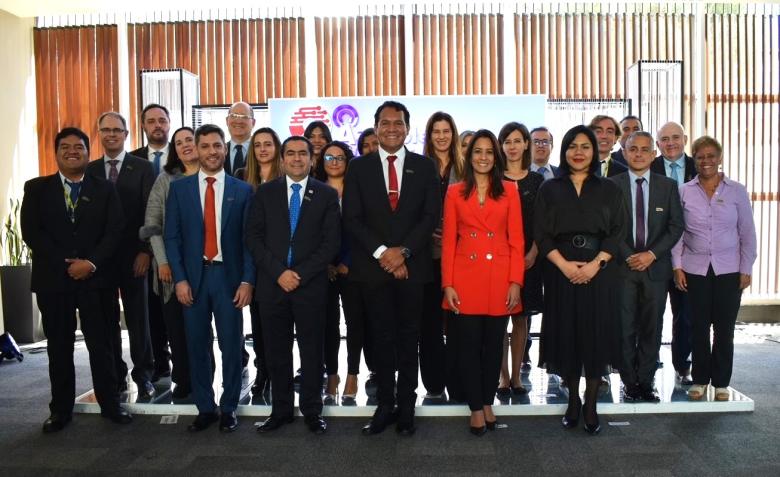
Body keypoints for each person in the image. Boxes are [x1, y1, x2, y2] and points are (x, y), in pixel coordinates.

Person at [21, 127, 132, 432]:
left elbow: (115, 230)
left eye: (79, 147)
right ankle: (60, 410)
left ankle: (110, 404)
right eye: (65, 147)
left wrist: (91, 263)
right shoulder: (36, 189)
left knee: (103, 345)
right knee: (59, 346)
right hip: (54, 280)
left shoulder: (105, 188)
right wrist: (67, 264)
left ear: (87, 152)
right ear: (56, 153)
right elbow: (32, 233)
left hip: (96, 279)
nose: (72, 151)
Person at [343, 100, 440, 436]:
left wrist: (404, 252)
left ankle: (406, 408)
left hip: (414, 269)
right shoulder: (359, 168)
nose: (392, 128)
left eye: (398, 123)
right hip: (373, 269)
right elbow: (352, 218)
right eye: (385, 123)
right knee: (381, 339)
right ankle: (385, 405)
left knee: (409, 337)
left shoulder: (425, 167)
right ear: (375, 127)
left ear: (407, 127)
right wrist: (385, 254)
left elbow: (429, 217)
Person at [534, 125, 626, 435]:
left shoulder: (610, 189)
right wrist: (564, 266)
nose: (578, 152)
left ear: (594, 151)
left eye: (585, 146)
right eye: (572, 146)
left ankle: (590, 404)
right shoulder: (549, 189)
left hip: (599, 274)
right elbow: (541, 234)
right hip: (561, 273)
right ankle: (572, 400)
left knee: (595, 335)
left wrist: (595, 265)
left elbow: (617, 233)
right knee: (568, 334)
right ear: (564, 150)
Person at [164, 124, 255, 432]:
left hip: (228, 279)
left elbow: (249, 241)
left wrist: (247, 280)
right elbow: (172, 238)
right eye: (206, 146)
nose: (212, 151)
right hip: (193, 279)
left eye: (218, 146)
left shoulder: (242, 190)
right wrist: (179, 279)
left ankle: (229, 407)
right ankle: (205, 407)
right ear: (197, 150)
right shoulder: (180, 189)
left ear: (225, 149)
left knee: (232, 345)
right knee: (196, 345)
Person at [246, 136, 340, 434]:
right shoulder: (265, 193)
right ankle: (281, 410)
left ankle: (312, 411)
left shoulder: (325, 195)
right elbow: (253, 238)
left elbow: (331, 243)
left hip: (309, 285)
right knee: (276, 352)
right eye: (291, 153)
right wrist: (279, 273)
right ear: (282, 159)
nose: (297, 159)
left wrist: (298, 273)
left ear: (312, 160)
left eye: (303, 154)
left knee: (313, 352)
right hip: (273, 286)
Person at [441, 129, 524, 435]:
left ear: (496, 156)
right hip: (465, 277)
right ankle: (476, 407)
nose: (484, 157)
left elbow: (517, 240)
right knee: (468, 346)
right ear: (469, 155)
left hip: (500, 277)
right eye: (478, 151)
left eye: (489, 152)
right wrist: (447, 283)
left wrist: (516, 281)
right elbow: (449, 242)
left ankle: (487, 401)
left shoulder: (510, 191)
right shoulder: (454, 193)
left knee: (493, 347)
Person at [672, 136, 757, 402]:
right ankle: (699, 380)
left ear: (719, 158)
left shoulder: (736, 191)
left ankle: (721, 383)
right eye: (700, 156)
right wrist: (677, 266)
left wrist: (746, 267)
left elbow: (747, 233)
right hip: (695, 268)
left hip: (729, 269)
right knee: (697, 326)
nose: (706, 161)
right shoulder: (685, 190)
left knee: (724, 328)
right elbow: (678, 234)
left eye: (711, 156)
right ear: (694, 159)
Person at [87, 112, 156, 399]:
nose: (112, 135)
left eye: (117, 130)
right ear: (99, 134)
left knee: (139, 319)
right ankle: (115, 374)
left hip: (133, 257)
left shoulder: (142, 167)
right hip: (100, 261)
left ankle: (145, 374)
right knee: (106, 320)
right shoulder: (89, 170)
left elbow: (151, 214)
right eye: (106, 130)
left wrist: (145, 252)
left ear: (127, 134)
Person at [610, 132, 683, 402]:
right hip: (623, 268)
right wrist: (631, 256)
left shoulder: (668, 186)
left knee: (652, 327)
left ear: (654, 154)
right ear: (625, 152)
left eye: (644, 150)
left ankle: (646, 381)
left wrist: (651, 254)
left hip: (656, 269)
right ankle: (630, 383)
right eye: (633, 149)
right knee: (625, 327)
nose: (638, 154)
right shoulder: (613, 185)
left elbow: (676, 226)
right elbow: (610, 227)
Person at [139, 126, 200, 399]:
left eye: (190, 139)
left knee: (202, 331)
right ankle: (184, 380)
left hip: (207, 267)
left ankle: (204, 378)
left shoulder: (214, 178)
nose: (185, 145)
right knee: (177, 328)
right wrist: (164, 263)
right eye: (179, 142)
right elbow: (152, 226)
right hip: (170, 270)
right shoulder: (165, 180)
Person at [234, 126, 283, 395]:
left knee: (282, 324)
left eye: (268, 144)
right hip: (252, 259)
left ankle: (280, 372)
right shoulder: (242, 178)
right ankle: (262, 371)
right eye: (258, 145)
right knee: (259, 321)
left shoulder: (287, 178)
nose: (263, 149)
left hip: (280, 259)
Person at [420, 111, 465, 402]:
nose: (441, 136)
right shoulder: (420, 167)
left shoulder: (466, 168)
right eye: (435, 131)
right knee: (430, 323)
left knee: (459, 321)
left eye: (446, 130)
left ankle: (459, 379)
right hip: (426, 255)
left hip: (460, 254)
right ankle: (434, 383)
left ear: (453, 133)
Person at [497, 122, 544, 396]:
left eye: (518, 141)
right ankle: (502, 377)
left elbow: (543, 223)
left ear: (526, 144)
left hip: (529, 259)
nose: (512, 146)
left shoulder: (537, 181)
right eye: (507, 141)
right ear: (501, 146)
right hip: (499, 260)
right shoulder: (493, 179)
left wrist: (534, 253)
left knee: (521, 318)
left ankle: (517, 377)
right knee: (500, 317)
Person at [314, 141, 360, 403]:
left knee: (355, 324)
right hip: (323, 269)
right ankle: (332, 375)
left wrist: (346, 262)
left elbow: (365, 227)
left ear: (347, 159)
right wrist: (327, 264)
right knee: (328, 325)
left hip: (355, 267)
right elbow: (311, 233)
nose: (333, 161)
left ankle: (353, 373)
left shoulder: (358, 190)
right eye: (329, 157)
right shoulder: (315, 190)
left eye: (339, 156)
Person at [130, 103, 173, 383]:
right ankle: (160, 362)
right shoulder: (132, 160)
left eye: (162, 120)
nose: (157, 125)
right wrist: (145, 249)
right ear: (143, 125)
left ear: (169, 123)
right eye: (151, 121)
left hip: (178, 246)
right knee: (152, 309)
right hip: (146, 249)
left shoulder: (184, 155)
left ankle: (184, 361)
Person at [652, 121, 697, 384]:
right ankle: (647, 363)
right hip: (655, 253)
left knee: (686, 314)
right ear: (658, 144)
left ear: (685, 139)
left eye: (675, 138)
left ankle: (682, 365)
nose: (670, 143)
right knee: (651, 313)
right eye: (665, 139)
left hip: (690, 255)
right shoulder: (650, 166)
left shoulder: (698, 167)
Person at [224, 102, 256, 176]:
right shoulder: (219, 151)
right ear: (227, 120)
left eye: (244, 116)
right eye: (233, 115)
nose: (238, 121)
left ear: (253, 123)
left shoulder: (261, 151)